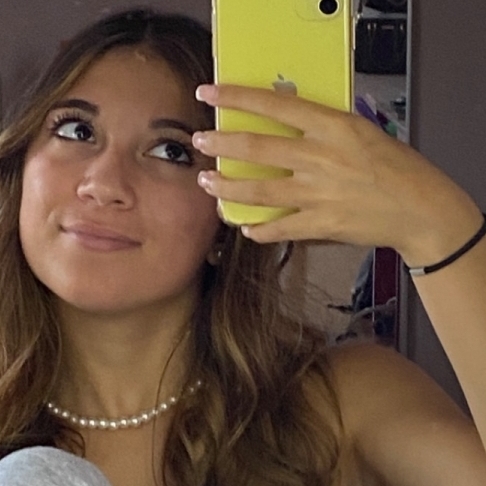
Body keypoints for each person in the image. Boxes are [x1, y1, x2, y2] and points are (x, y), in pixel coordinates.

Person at [0, 6, 485, 486]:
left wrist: (437, 224)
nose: (104, 184)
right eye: (77, 131)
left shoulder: (344, 406)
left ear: (225, 223)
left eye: (172, 151)